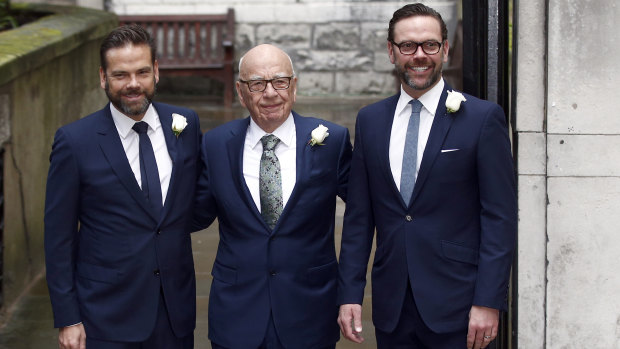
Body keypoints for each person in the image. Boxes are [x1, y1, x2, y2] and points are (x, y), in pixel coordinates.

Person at [337, 3, 517, 349]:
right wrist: (350, 294)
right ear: (391, 52)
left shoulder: (482, 119)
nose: (419, 55)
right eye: (408, 46)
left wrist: (488, 300)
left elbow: (499, 217)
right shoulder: (370, 121)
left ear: (445, 50)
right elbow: (359, 219)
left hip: (463, 308)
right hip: (393, 307)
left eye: (429, 45)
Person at [44, 24, 201, 349]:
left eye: (142, 72)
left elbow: (193, 203)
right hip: (105, 315)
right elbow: (58, 238)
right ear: (103, 77)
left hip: (175, 313)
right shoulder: (75, 142)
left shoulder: (185, 124)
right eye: (120, 74)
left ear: (156, 71)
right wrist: (68, 317)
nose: (133, 84)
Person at [193, 44, 352, 349]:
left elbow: (364, 214)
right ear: (241, 93)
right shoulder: (215, 145)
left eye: (280, 81)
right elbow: (194, 214)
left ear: (294, 87)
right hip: (237, 315)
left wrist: (351, 293)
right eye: (257, 84)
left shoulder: (332, 141)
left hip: (309, 311)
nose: (270, 93)